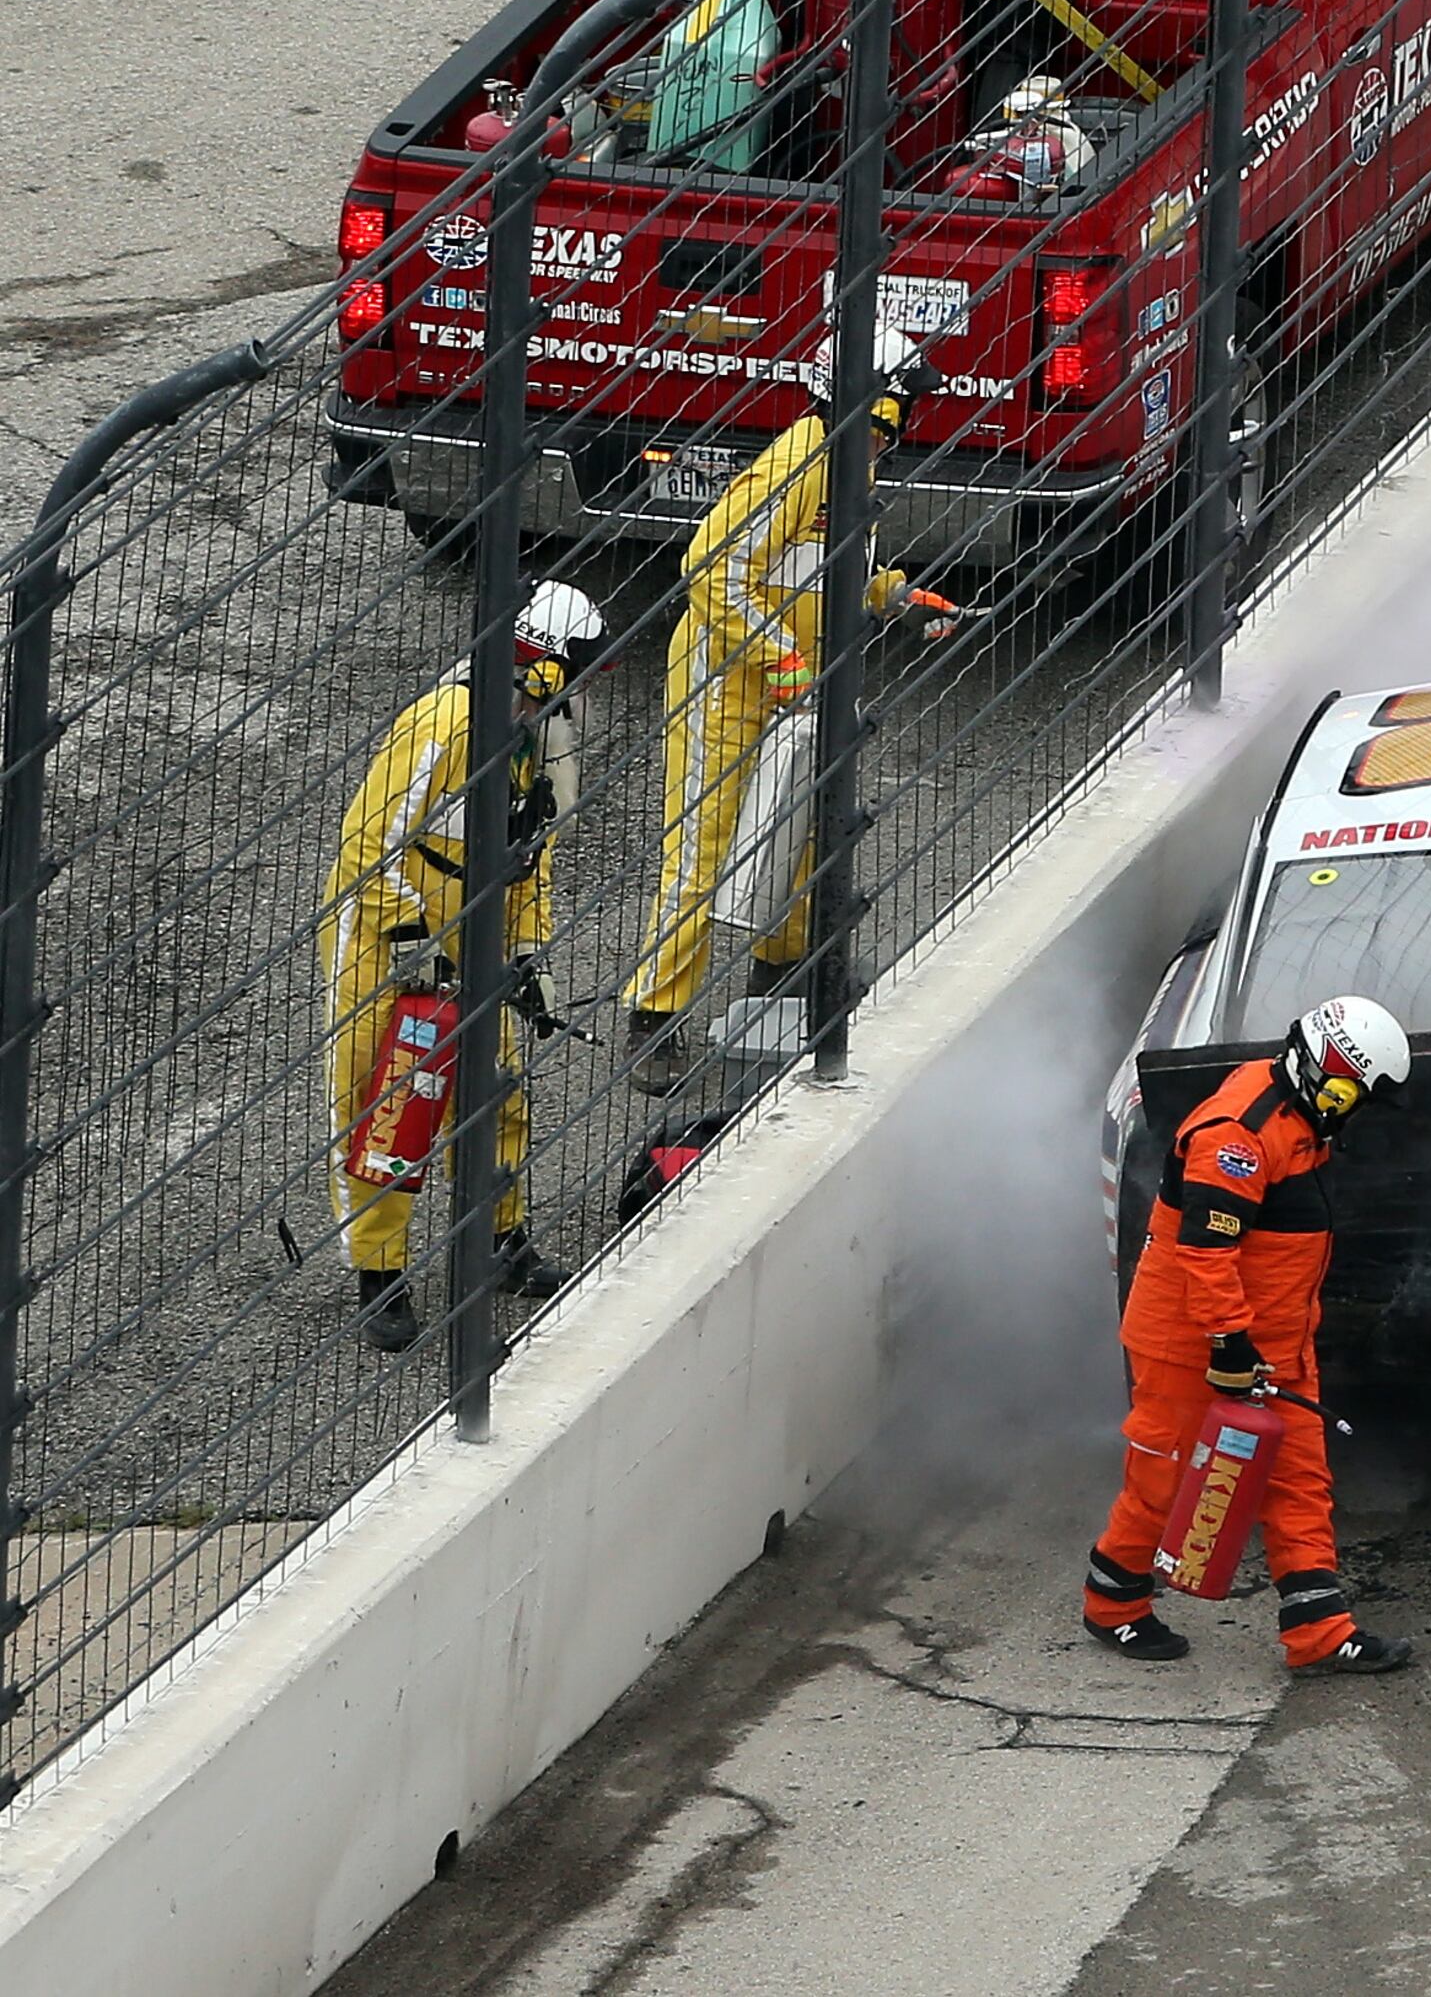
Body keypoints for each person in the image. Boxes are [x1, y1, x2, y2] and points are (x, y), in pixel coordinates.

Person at [621, 336, 961, 1093]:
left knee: (798, 833)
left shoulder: (851, 461)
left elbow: (829, 576)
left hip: (794, 685)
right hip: (728, 684)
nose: (907, 419)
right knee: (705, 849)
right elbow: (712, 566)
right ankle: (654, 1016)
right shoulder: (805, 459)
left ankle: (778, 981)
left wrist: (895, 595)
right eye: (905, 399)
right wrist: (785, 664)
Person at [1084, 994, 1419, 1672]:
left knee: (1300, 1479)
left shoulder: (1299, 1119)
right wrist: (1228, 1343)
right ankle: (1112, 1602)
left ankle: (1320, 1630)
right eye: (1354, 1097)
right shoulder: (1237, 1135)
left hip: (1272, 1345)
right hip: (1193, 1342)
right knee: (1166, 1477)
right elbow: (1206, 1252)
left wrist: (1255, 1345)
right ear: (1330, 1077)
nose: (1355, 1114)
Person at [320, 579, 608, 1351]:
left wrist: (525, 956)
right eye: (576, 675)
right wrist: (414, 937)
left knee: (500, 1091)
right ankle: (379, 1273)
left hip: (471, 936)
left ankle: (497, 1240)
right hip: (387, 938)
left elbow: (530, 862)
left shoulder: (536, 744)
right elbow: (370, 841)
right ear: (542, 666)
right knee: (392, 1104)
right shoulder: (448, 723)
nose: (582, 697)